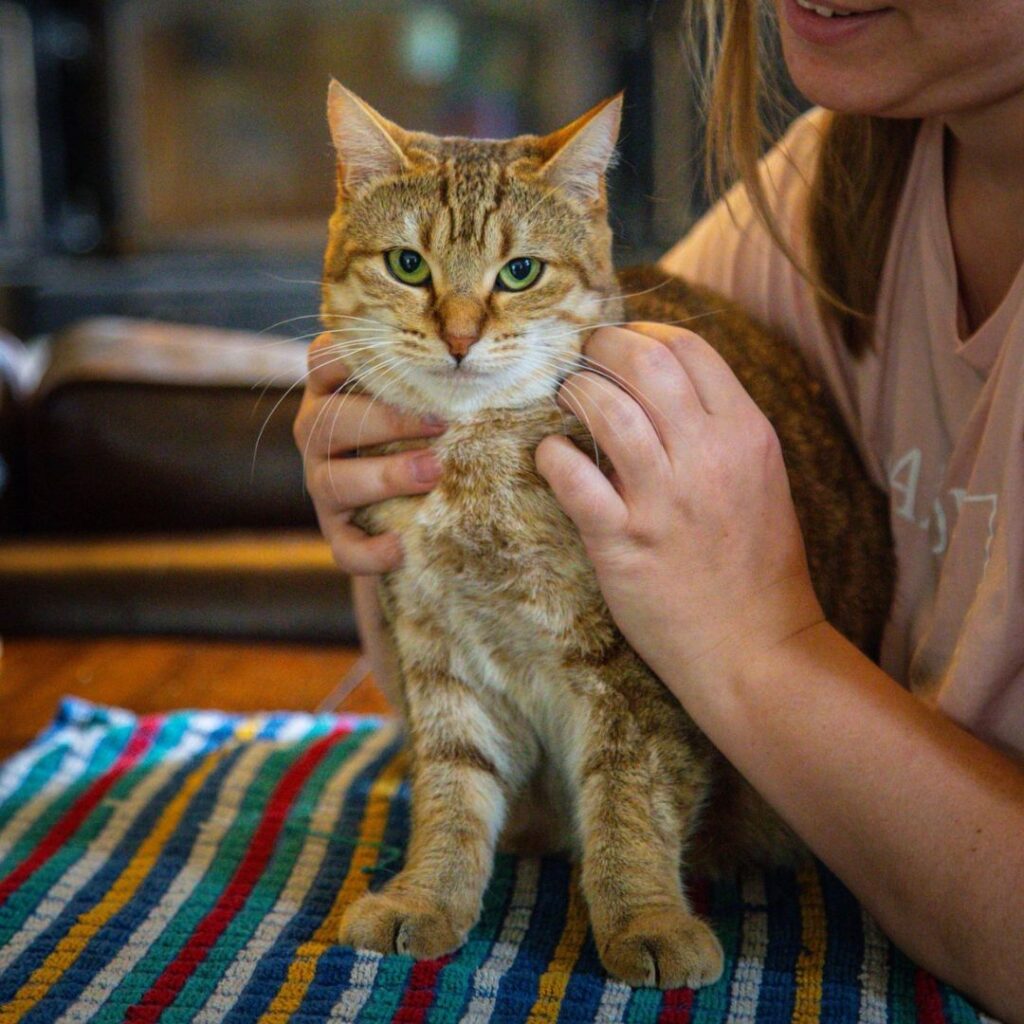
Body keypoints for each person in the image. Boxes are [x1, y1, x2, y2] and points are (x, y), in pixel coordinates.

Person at [293, 1, 1024, 1018]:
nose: (462, 327)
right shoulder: (842, 172)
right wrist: (386, 474)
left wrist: (763, 639)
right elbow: (501, 656)